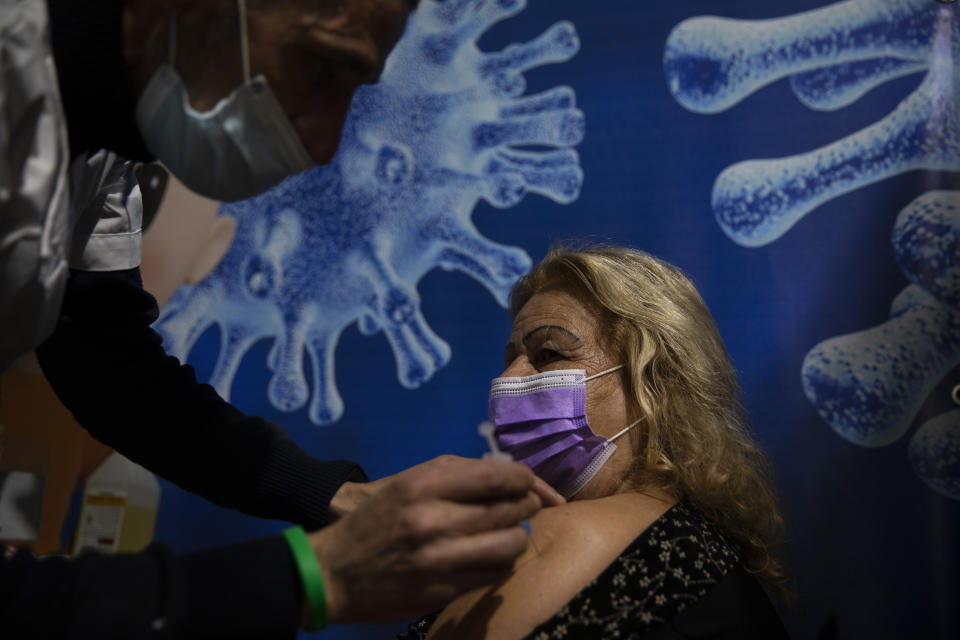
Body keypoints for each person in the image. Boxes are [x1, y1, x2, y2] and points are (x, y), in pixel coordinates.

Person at [0, 0, 561, 637]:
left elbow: (102, 355)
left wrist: (326, 494)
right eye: (320, 70)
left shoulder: (101, 151)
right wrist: (313, 577)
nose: (322, 147)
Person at [401, 246, 790, 639]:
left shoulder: (554, 544)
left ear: (655, 383)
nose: (508, 382)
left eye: (549, 353)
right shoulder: (702, 544)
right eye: (509, 361)